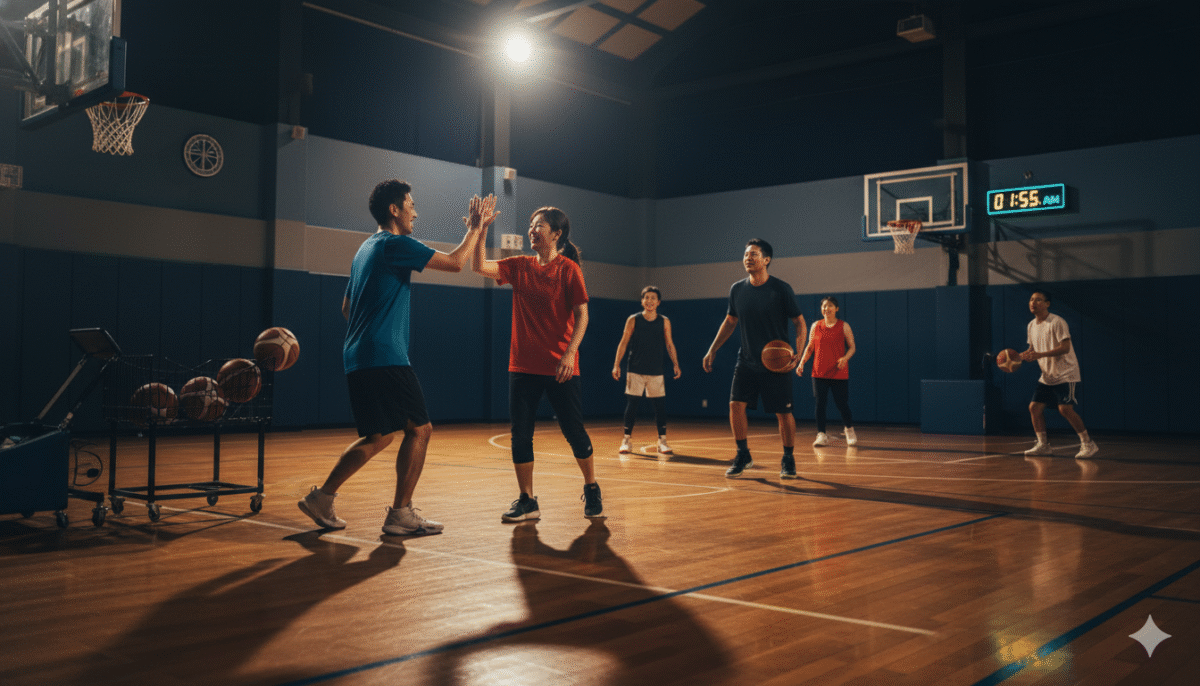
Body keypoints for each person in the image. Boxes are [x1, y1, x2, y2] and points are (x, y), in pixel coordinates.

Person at [298, 180, 498, 535]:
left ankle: (322, 498)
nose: (415, 212)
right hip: (385, 356)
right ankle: (401, 514)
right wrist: (475, 229)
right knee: (420, 429)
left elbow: (346, 307)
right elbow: (455, 263)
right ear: (394, 210)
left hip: (358, 355)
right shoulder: (395, 244)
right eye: (410, 204)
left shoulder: (365, 250)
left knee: (379, 436)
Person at [473, 206, 602, 521]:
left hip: (561, 367)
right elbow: (477, 266)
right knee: (521, 434)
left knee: (574, 432)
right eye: (530, 225)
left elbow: (582, 313)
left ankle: (592, 486)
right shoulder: (519, 266)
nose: (532, 229)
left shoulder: (569, 269)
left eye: (539, 225)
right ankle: (527, 500)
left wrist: (570, 353)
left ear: (556, 234)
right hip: (522, 366)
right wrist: (480, 229)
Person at [702, 239, 807, 479]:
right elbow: (730, 321)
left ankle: (788, 458)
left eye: (754, 254)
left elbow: (799, 322)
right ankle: (743, 454)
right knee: (735, 405)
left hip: (776, 363)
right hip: (747, 360)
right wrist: (712, 349)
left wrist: (798, 352)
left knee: (783, 413)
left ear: (767, 260)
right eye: (746, 254)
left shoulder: (781, 289)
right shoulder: (737, 289)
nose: (748, 258)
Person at [1020, 289, 1099, 459]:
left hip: (1066, 374)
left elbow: (1065, 348)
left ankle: (1088, 444)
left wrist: (1040, 355)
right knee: (1034, 408)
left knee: (1065, 409)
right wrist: (1023, 356)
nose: (1033, 303)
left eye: (1039, 300)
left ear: (1047, 304)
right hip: (1047, 376)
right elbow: (1033, 349)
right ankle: (1043, 445)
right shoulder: (1031, 325)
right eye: (1031, 299)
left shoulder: (1057, 322)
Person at [611, 286, 682, 455]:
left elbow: (670, 344)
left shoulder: (664, 321)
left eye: (653, 298)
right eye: (646, 298)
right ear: (642, 301)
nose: (649, 301)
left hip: (656, 370)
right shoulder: (633, 319)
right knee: (632, 404)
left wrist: (676, 364)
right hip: (635, 369)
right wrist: (616, 364)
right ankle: (626, 440)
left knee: (660, 407)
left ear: (658, 302)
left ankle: (662, 441)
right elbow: (623, 342)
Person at [797, 296, 857, 448]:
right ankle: (821, 434)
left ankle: (849, 429)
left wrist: (845, 358)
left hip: (838, 372)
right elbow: (810, 347)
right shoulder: (816, 325)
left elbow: (852, 347)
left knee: (842, 403)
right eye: (824, 306)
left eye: (830, 306)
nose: (826, 309)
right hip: (819, 372)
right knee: (820, 404)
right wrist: (802, 363)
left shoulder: (844, 326)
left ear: (836, 309)